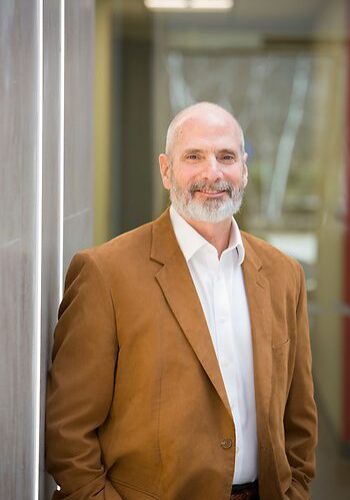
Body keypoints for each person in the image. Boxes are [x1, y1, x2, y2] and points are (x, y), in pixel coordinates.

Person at [46, 102, 317, 500]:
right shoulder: (105, 273)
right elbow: (68, 435)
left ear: (243, 168)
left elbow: (300, 422)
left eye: (226, 156)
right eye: (194, 156)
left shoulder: (283, 275)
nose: (213, 173)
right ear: (166, 170)